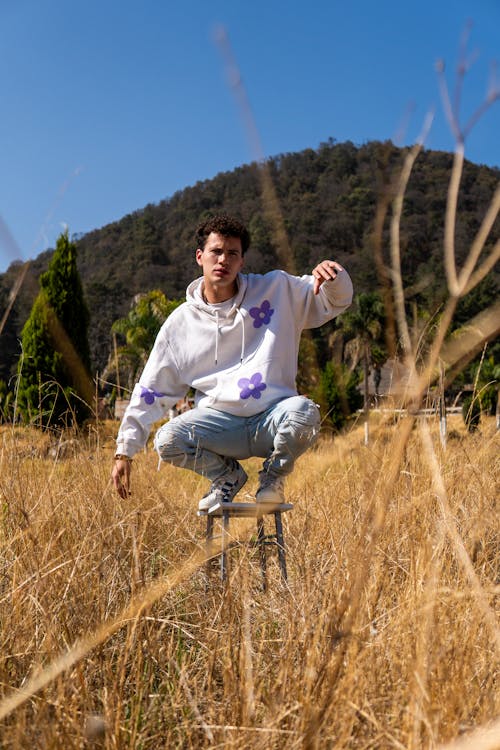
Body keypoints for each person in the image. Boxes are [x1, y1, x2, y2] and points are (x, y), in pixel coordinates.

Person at [112, 214, 353, 509]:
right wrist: (125, 451)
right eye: (216, 251)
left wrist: (334, 277)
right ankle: (227, 477)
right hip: (220, 426)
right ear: (200, 257)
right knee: (168, 440)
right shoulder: (180, 325)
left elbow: (332, 301)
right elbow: (152, 389)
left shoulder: (277, 290)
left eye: (232, 254)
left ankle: (273, 478)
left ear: (242, 262)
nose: (223, 260)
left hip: (271, 418)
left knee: (304, 412)